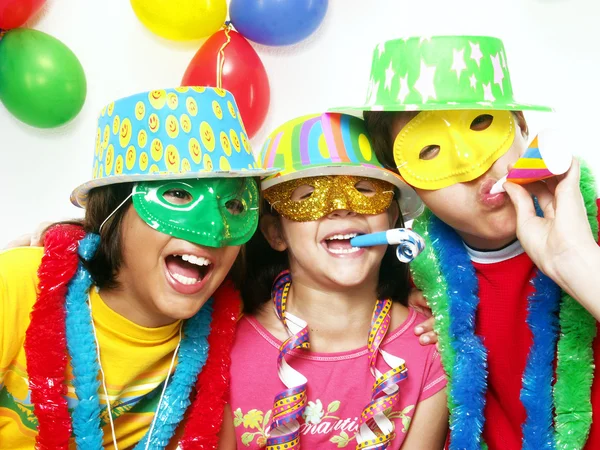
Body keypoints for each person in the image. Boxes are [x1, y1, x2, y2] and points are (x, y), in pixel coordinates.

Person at [332, 35, 600, 449]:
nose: (474, 168)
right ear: (406, 182)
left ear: (521, 125)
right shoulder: (419, 275)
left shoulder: (594, 222)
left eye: (480, 124)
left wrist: (577, 262)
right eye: (431, 151)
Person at [0, 86, 275, 449]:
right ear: (112, 211)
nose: (211, 232)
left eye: (234, 206)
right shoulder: (23, 282)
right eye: (178, 194)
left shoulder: (224, 326)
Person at [221, 112, 448, 449]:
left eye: (365, 189)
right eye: (308, 195)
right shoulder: (224, 346)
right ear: (275, 233)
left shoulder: (432, 348)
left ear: (392, 218)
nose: (341, 208)